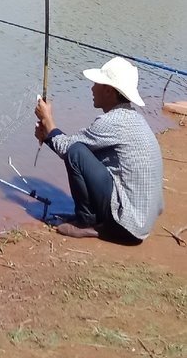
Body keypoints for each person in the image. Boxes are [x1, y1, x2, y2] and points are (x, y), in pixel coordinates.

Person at [34, 56, 163, 241]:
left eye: (97, 84)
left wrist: (48, 120)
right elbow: (84, 148)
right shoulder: (134, 119)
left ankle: (86, 222)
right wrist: (48, 135)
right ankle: (95, 219)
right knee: (85, 152)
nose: (92, 88)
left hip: (128, 226)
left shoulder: (113, 122)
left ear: (109, 90)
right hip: (140, 222)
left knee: (76, 153)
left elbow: (69, 149)